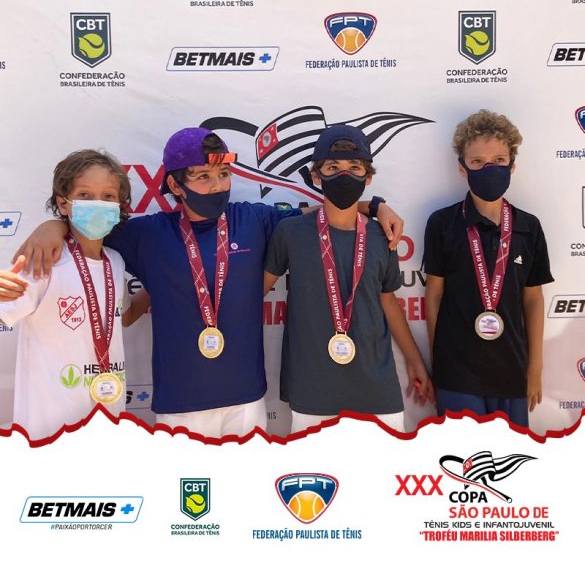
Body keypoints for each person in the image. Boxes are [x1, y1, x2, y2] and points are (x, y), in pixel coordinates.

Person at [13, 127, 405, 438]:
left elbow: (324, 214)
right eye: (202, 177)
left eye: (223, 175)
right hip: (180, 403)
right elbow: (90, 230)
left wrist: (375, 205)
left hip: (246, 400)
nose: (217, 185)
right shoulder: (147, 234)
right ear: (175, 186)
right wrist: (53, 226)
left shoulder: (255, 220)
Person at [263, 125, 432, 433]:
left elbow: (388, 302)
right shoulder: (290, 233)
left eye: (354, 168)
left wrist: (415, 360)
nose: (344, 175)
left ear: (368, 177)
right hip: (312, 390)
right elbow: (254, 293)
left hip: (377, 390)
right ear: (316, 176)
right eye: (332, 168)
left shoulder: (382, 235)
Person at [423, 109, 554, 428]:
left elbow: (533, 299)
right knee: (462, 456)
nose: (489, 169)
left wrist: (535, 367)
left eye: (498, 160)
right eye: (478, 162)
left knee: (510, 457)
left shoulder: (528, 227)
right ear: (462, 168)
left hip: (512, 371)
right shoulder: (442, 223)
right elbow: (434, 296)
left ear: (512, 165)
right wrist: (438, 361)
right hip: (457, 373)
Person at [0, 150, 137, 441]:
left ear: (119, 206)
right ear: (63, 203)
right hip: (49, 431)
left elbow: (124, 315)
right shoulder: (44, 259)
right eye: (85, 195)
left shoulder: (115, 261)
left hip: (107, 422)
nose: (98, 203)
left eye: (108, 196)